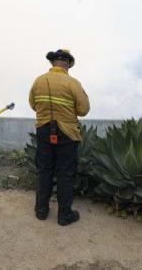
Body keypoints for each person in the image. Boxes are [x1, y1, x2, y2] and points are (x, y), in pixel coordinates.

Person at [29, 49, 90, 226]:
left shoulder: (38, 81)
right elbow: (83, 110)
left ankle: (41, 211)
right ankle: (64, 215)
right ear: (67, 64)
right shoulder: (73, 83)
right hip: (66, 134)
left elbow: (33, 104)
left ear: (53, 63)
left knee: (44, 170)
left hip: (43, 131)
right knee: (65, 173)